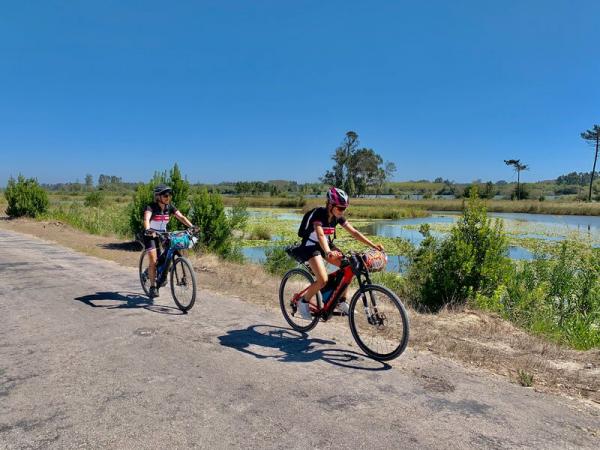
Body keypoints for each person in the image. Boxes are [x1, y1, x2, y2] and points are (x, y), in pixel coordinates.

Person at [294, 187, 384, 319]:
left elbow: (354, 232)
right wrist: (328, 251)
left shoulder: (337, 217)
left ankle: (340, 302)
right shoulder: (319, 214)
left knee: (349, 267)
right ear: (330, 205)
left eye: (345, 208)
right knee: (322, 280)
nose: (343, 211)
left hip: (325, 246)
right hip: (310, 246)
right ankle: (303, 302)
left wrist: (374, 246)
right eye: (340, 208)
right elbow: (320, 235)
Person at [143, 184, 195, 298]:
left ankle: (159, 272)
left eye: (169, 195)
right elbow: (146, 219)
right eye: (165, 195)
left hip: (163, 234)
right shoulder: (151, 207)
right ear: (158, 196)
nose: (168, 197)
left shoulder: (169, 207)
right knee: (153, 260)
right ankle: (152, 286)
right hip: (151, 235)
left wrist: (192, 226)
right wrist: (148, 230)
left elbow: (181, 217)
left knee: (169, 253)